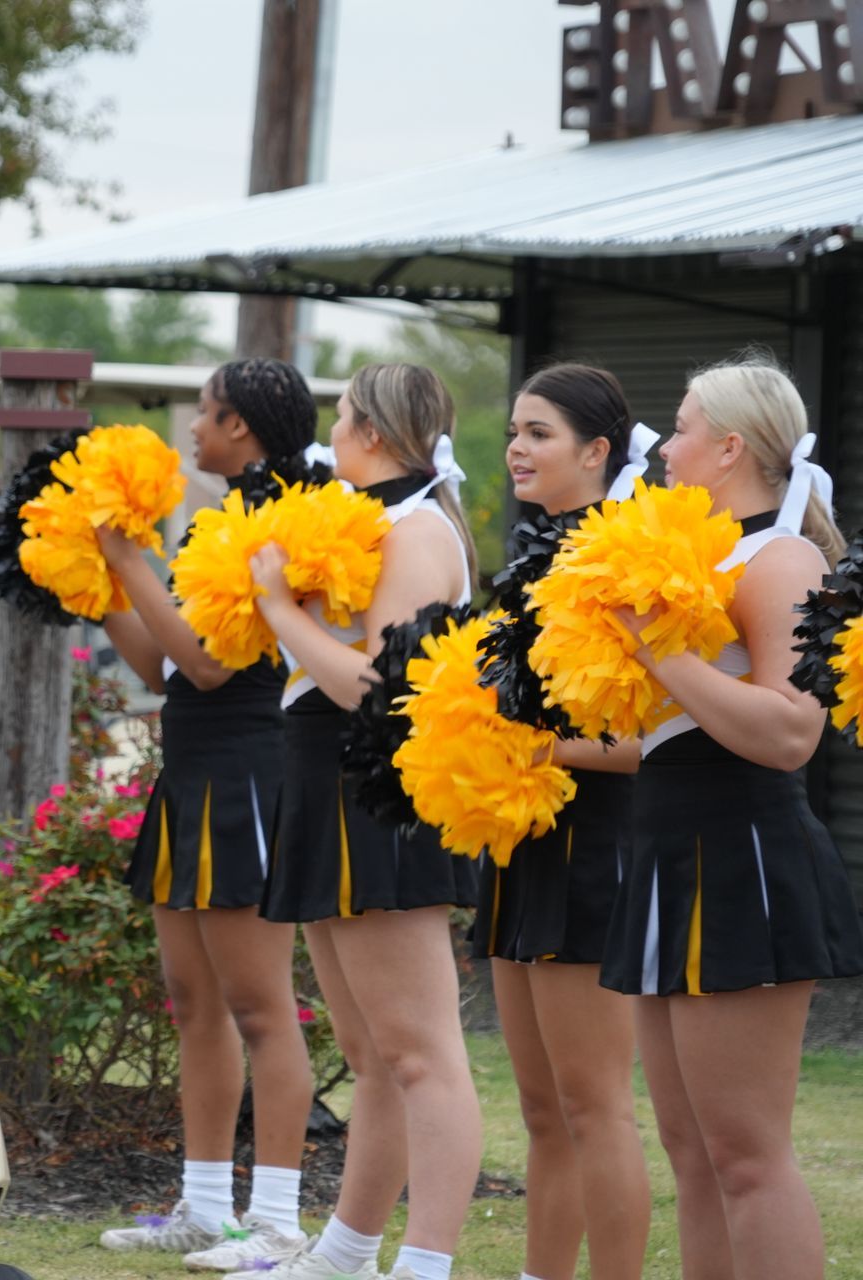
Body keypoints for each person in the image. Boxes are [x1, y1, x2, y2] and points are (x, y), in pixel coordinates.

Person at [599, 356, 863, 1280]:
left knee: (747, 1156)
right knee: (693, 1151)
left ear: (729, 448)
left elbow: (793, 731)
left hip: (741, 848)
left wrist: (654, 649)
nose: (664, 448)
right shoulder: (695, 558)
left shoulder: (779, 556)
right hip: (670, 843)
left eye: (678, 429)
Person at [249, 365, 481, 1280]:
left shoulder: (420, 529)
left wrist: (278, 609)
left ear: (377, 434)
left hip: (378, 798)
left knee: (421, 1055)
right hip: (324, 789)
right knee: (372, 1055)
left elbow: (376, 692)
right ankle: (343, 1253)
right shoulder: (370, 523)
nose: (330, 436)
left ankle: (426, 1265)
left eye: (341, 419)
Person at [94, 360, 319, 1267]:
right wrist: (99, 580)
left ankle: (276, 1223)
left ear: (246, 426)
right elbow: (159, 666)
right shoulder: (218, 517)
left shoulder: (284, 520)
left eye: (207, 411)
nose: (193, 425)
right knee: (195, 1004)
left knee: (262, 1009)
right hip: (188, 772)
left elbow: (215, 665)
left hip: (247, 775)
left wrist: (126, 557)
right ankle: (203, 1205)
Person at [485, 365, 651, 1280]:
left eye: (539, 432)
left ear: (596, 452)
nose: (517, 447)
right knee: (543, 1110)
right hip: (524, 841)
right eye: (514, 429)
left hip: (598, 845)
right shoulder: (534, 553)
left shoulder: (622, 559)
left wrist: (540, 754)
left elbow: (644, 738)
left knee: (596, 1107)